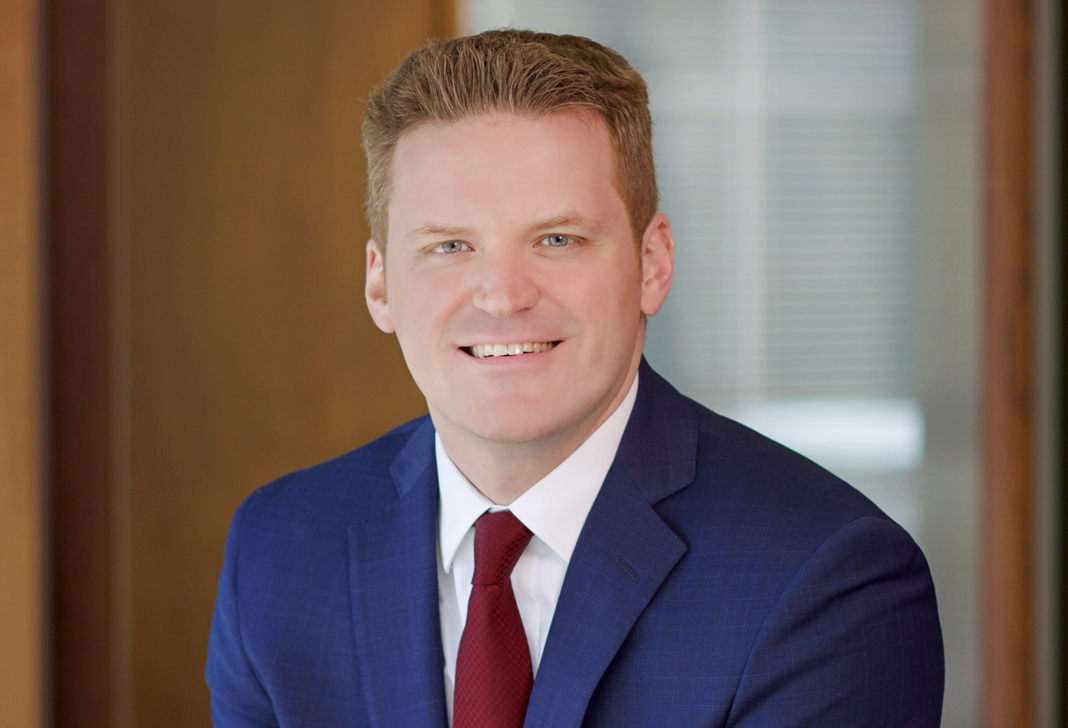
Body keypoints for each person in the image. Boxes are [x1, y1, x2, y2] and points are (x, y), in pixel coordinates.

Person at [206, 29, 944, 727]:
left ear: (651, 264)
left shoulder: (823, 578)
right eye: (450, 246)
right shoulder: (278, 552)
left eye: (557, 239)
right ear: (380, 284)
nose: (502, 296)